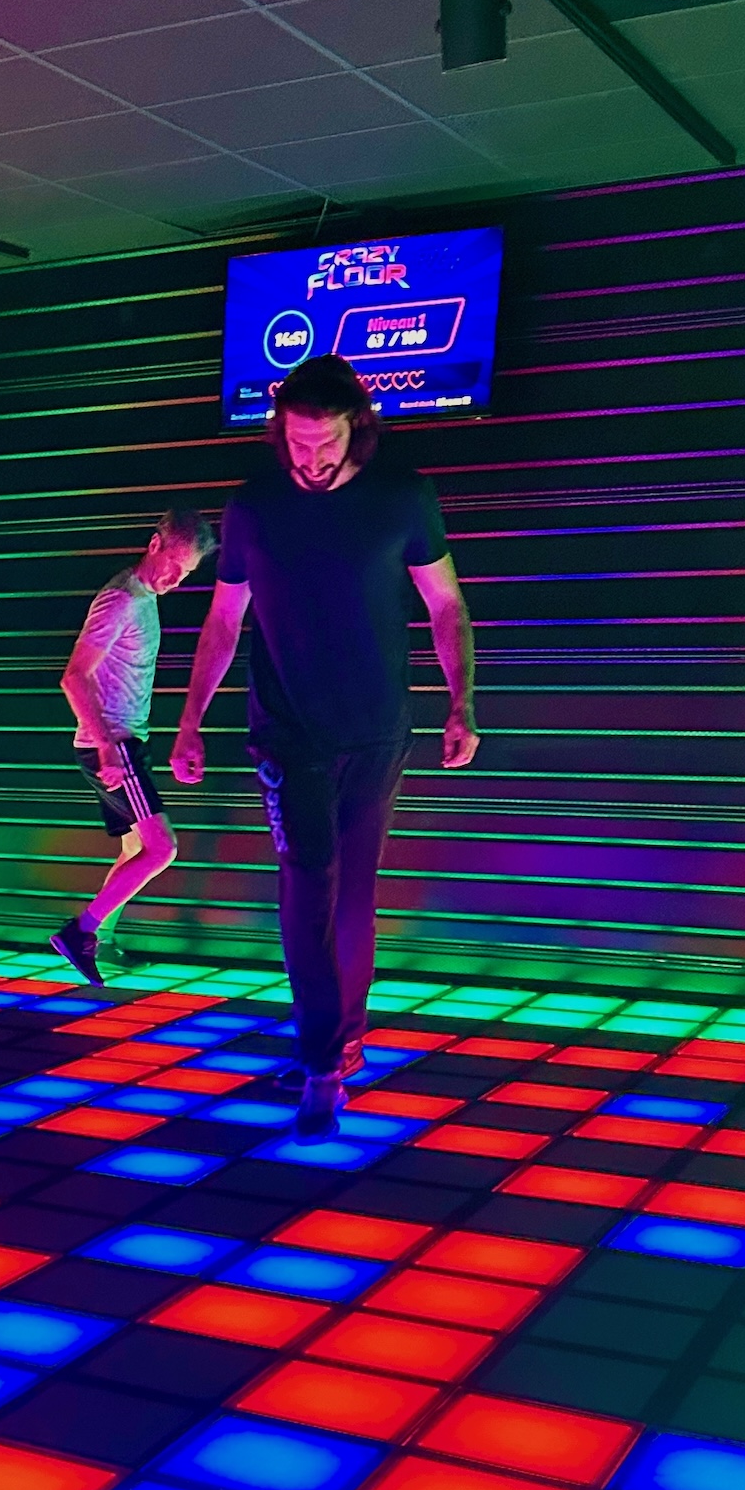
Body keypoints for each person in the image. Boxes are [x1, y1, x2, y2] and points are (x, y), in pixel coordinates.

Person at [171, 354, 478, 1136]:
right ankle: (319, 1065)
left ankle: (345, 1040)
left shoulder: (402, 496)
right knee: (308, 886)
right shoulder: (254, 506)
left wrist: (461, 703)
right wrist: (189, 719)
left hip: (377, 727)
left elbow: (446, 604)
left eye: (327, 442)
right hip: (288, 731)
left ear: (358, 430)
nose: (311, 460)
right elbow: (223, 618)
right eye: (297, 443)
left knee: (354, 896)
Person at [50, 508, 214, 985]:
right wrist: (106, 747)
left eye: (186, 574)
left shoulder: (144, 596)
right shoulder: (121, 599)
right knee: (162, 849)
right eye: (173, 565)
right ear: (154, 544)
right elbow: (74, 678)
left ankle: (101, 940)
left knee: (134, 849)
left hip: (123, 742)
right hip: (113, 744)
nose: (175, 580)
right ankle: (81, 933)